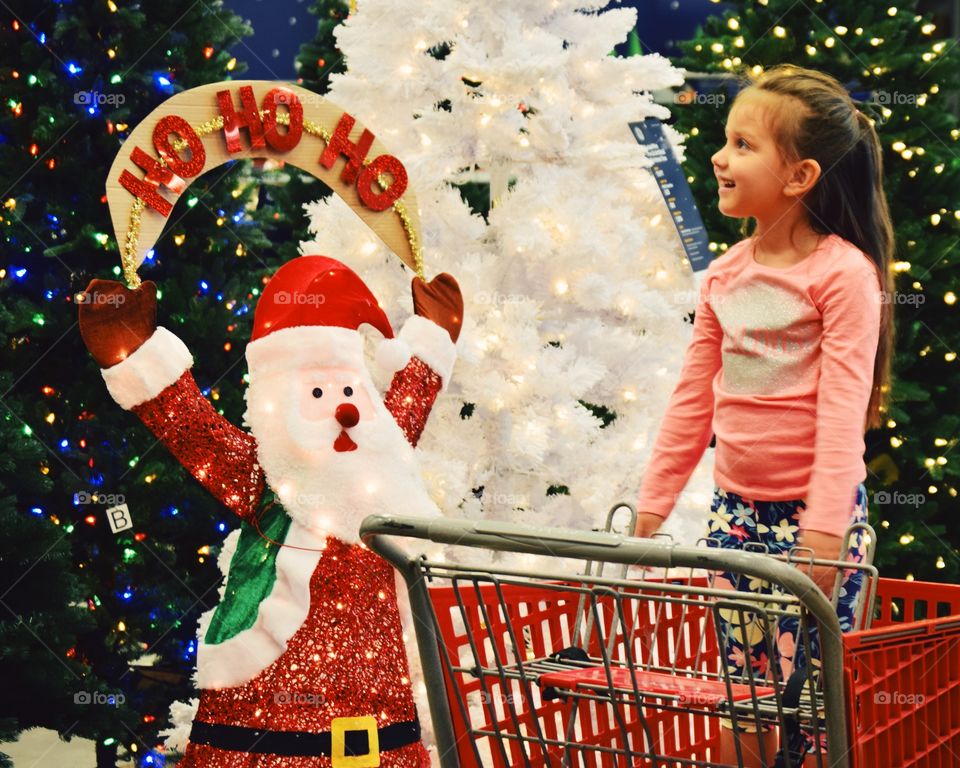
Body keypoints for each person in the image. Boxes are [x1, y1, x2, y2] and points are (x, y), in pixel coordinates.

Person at [634, 64, 894, 767]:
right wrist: (652, 504)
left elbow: (843, 415)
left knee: (811, 709)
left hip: (819, 526)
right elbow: (693, 400)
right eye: (726, 140)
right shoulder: (724, 276)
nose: (719, 157)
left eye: (743, 145)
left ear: (800, 176)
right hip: (735, 518)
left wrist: (822, 531)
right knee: (744, 695)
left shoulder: (842, 276)